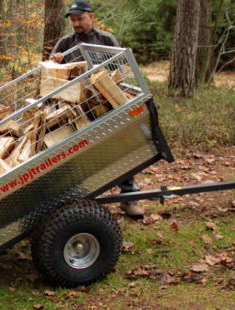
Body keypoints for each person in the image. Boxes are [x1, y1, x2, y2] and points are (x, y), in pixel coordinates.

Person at [50, 0, 144, 218]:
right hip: (73, 109)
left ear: (91, 17)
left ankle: (129, 198)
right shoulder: (65, 42)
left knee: (118, 148)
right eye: (73, 20)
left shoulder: (106, 40)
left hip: (105, 105)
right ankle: (78, 200)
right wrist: (56, 61)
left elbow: (119, 70)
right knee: (76, 153)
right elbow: (50, 72)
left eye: (79, 19)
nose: (76, 23)